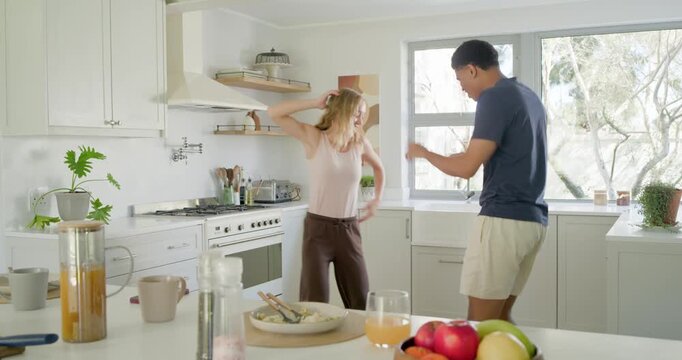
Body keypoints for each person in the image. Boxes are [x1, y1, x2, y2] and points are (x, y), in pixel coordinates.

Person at [405, 39, 548, 322]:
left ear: (471, 70)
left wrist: (423, 153)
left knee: (479, 323)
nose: (462, 87)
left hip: (503, 220)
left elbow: (467, 167)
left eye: (460, 79)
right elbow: (483, 153)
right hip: (532, 220)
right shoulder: (526, 95)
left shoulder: (493, 97)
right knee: (500, 318)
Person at [268, 88, 384, 310]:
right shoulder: (314, 138)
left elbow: (379, 168)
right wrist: (315, 102)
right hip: (318, 231)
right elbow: (274, 112)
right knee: (314, 303)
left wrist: (376, 200)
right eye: (357, 113)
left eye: (362, 113)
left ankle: (356, 344)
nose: (361, 119)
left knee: (360, 301)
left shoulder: (360, 143)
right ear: (342, 110)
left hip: (349, 230)